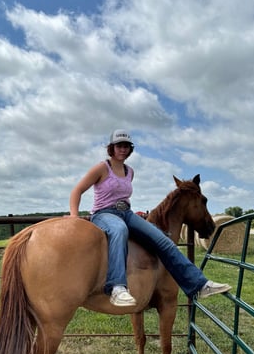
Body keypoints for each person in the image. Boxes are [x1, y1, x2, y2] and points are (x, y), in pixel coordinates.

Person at [68, 129, 231, 307]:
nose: (123, 149)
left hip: (126, 213)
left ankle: (200, 284)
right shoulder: (102, 168)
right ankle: (117, 288)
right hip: (104, 213)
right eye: (119, 146)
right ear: (112, 148)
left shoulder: (129, 171)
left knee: (163, 238)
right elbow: (77, 190)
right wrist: (74, 216)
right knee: (119, 230)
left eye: (126, 146)